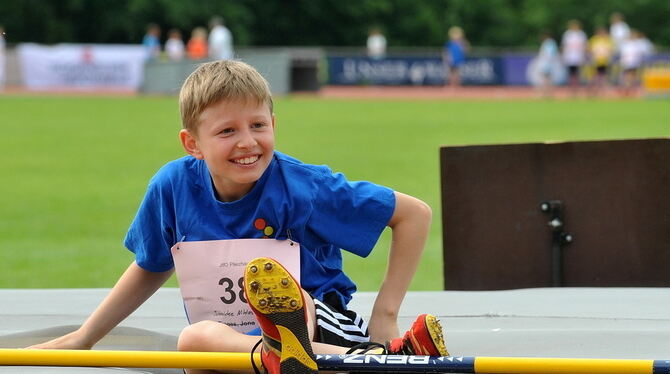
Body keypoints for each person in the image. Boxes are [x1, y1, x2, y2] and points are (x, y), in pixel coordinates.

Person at [28, 60, 449, 374]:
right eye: (227, 131)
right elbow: (150, 265)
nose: (248, 142)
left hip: (321, 323)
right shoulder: (171, 187)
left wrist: (385, 314)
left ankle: (351, 356)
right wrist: (85, 338)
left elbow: (413, 215)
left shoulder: (302, 185)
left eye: (258, 125)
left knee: (289, 301)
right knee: (196, 339)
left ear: (274, 124)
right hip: (234, 345)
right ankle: (380, 361)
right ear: (192, 143)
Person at [561, 20, 587, 95]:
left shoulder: (581, 34)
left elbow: (584, 46)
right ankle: (571, 89)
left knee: (577, 74)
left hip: (578, 57)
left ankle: (576, 89)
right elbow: (564, 46)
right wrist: (563, 56)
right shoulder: (567, 34)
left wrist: (584, 56)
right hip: (569, 57)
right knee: (570, 74)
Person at [588, 27, 614, 96]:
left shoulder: (608, 40)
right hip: (596, 61)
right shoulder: (594, 40)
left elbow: (611, 50)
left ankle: (604, 90)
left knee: (605, 76)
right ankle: (595, 90)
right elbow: (589, 49)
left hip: (605, 61)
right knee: (595, 76)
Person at [535, 30, 561, 97]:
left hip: (547, 63)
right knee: (547, 79)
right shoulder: (550, 43)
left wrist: (546, 62)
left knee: (546, 79)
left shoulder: (549, 43)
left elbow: (549, 54)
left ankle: (546, 93)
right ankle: (548, 93)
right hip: (548, 63)